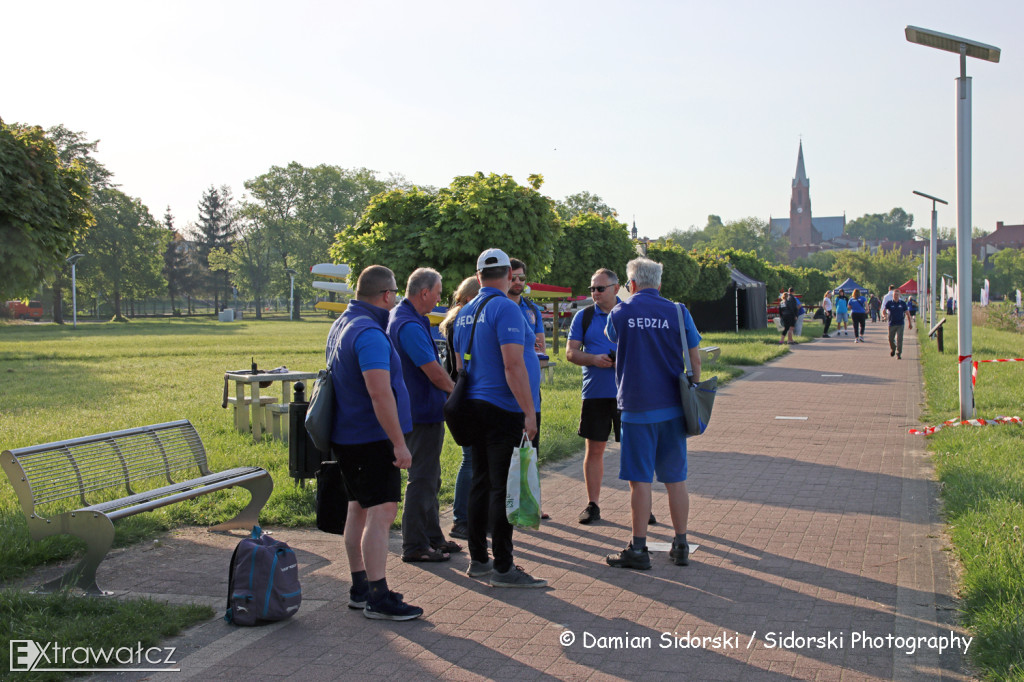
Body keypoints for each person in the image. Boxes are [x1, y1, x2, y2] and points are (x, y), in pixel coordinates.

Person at [327, 265, 422, 620]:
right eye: (395, 293)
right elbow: (380, 393)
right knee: (381, 514)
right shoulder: (369, 333)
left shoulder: (341, 324)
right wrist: (399, 444)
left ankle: (360, 587)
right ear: (386, 295)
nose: (396, 299)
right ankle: (378, 597)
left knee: (359, 508)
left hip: (347, 436)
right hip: (370, 437)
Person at [453, 248, 546, 588]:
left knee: (480, 482)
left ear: (478, 277)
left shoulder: (466, 311)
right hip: (502, 408)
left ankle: (478, 560)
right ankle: (504, 567)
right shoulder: (505, 307)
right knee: (501, 488)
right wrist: (528, 411)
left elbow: (462, 365)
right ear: (509, 274)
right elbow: (512, 364)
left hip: (475, 405)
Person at [605, 257, 701, 570]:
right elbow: (695, 360)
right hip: (673, 407)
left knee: (639, 480)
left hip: (635, 408)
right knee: (676, 479)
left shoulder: (622, 311)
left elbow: (612, 339)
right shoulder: (678, 311)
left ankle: (639, 548)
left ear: (631, 285)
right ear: (659, 284)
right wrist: (694, 389)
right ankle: (681, 542)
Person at [386, 267, 459, 563]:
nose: (440, 299)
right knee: (422, 478)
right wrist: (458, 393)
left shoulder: (409, 318)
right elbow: (433, 371)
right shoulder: (409, 325)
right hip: (420, 412)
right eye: (439, 293)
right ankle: (415, 544)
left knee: (432, 476)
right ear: (424, 292)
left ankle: (433, 537)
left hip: (421, 410)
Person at [566, 269, 622, 525]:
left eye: (600, 288)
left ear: (616, 288)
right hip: (596, 394)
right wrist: (593, 359)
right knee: (595, 448)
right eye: (592, 289)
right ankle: (593, 504)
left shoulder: (629, 314)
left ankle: (642, 502)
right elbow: (571, 353)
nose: (595, 293)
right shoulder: (584, 316)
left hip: (628, 392)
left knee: (635, 447)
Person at [438, 276, 480, 541]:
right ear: (467, 298)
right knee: (470, 458)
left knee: (474, 458)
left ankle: (468, 517)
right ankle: (461, 519)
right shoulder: (462, 321)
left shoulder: (456, 319)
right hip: (463, 394)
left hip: (460, 392)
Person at [508, 258, 546, 354]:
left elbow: (541, 349)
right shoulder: (495, 307)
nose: (518, 281)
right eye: (513, 278)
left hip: (529, 366)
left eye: (521, 277)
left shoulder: (533, 309)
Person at [883, 289, 912, 360]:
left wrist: (910, 323)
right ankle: (893, 348)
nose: (896, 296)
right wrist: (884, 315)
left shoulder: (902, 303)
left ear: (899, 295)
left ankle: (899, 353)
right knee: (890, 339)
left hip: (900, 324)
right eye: (894, 295)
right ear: (892, 295)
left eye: (897, 295)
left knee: (900, 339)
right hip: (892, 323)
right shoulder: (889, 303)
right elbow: (884, 311)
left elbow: (908, 313)